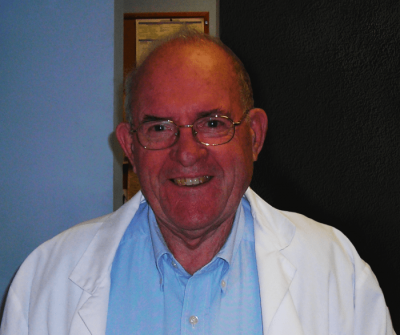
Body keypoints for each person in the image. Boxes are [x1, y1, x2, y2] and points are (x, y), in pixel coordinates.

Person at [0, 29, 395, 335]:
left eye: (212, 124)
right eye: (159, 127)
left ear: (254, 136)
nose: (187, 152)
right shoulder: (44, 282)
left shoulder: (337, 273)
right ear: (130, 146)